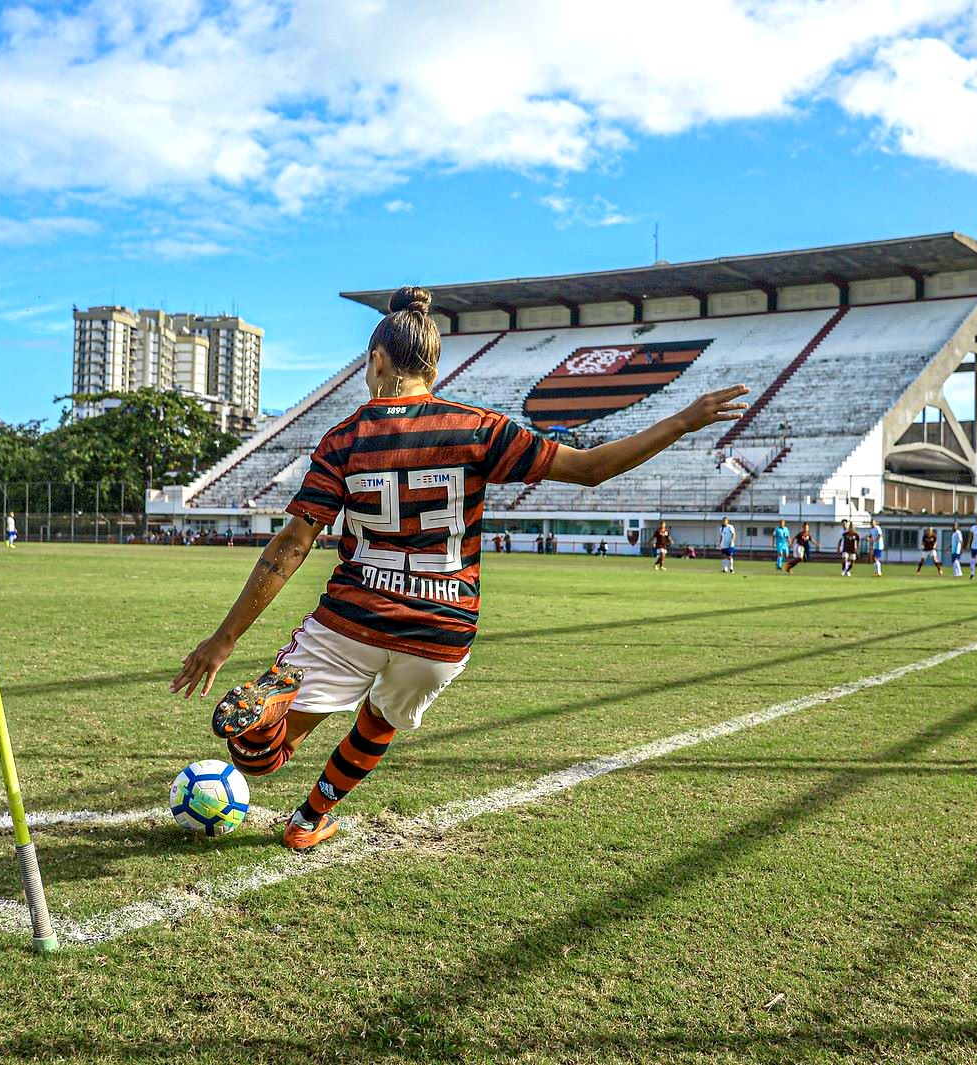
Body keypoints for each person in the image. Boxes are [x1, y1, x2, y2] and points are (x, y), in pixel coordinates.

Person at [169, 286, 747, 852]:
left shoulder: (343, 438)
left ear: (376, 361)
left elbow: (292, 544)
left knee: (260, 758)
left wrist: (224, 639)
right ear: (435, 365)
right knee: (380, 722)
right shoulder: (479, 428)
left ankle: (266, 715)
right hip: (440, 632)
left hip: (352, 620)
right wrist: (683, 420)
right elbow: (592, 468)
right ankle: (309, 819)